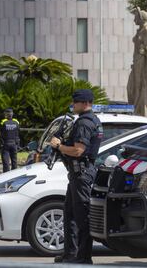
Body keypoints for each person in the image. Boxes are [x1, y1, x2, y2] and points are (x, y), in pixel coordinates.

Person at [50, 89, 103, 264]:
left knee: (82, 217)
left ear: (85, 103)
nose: (73, 105)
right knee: (70, 214)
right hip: (78, 174)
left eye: (75, 102)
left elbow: (78, 150)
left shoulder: (85, 123)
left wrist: (59, 146)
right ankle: (71, 254)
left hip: (82, 174)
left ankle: (83, 258)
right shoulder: (90, 120)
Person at [0, 108, 20, 172]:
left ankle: (6, 175)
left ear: (6, 114)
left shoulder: (3, 122)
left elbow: (0, 131)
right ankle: (14, 174)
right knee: (14, 161)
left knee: (6, 162)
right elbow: (18, 131)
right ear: (12, 114)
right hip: (14, 143)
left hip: (6, 143)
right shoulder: (16, 122)